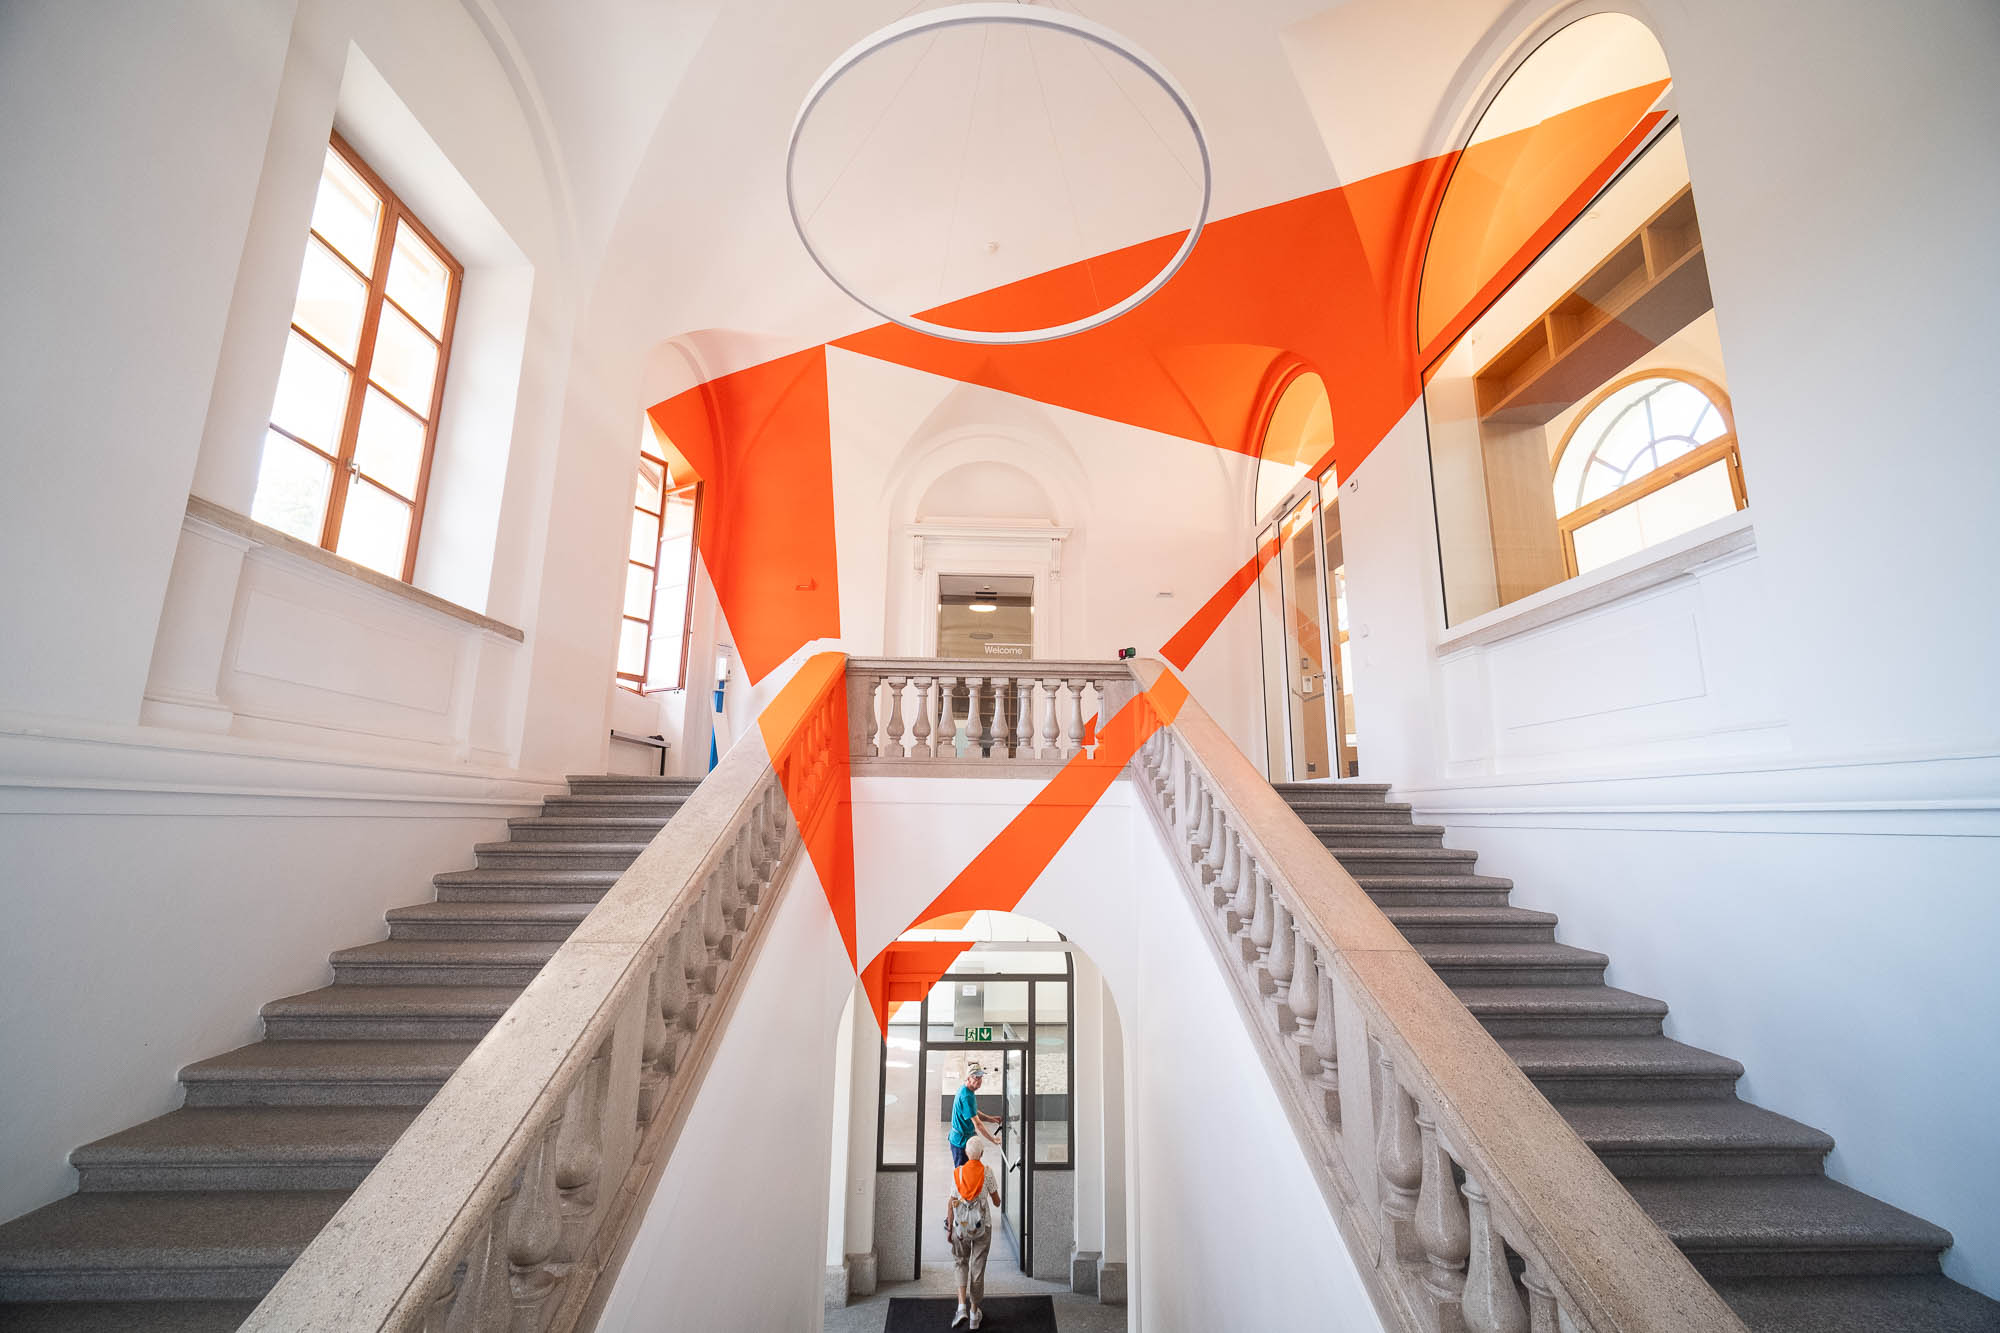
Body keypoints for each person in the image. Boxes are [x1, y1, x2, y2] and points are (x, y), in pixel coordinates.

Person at [946, 1135, 1002, 1329]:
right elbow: (996, 1201)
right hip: (982, 1228)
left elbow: (951, 1202)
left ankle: (961, 1306)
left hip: (960, 1228)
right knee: (977, 1269)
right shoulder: (987, 1172)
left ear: (966, 1153)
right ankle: (973, 1314)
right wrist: (993, 1199)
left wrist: (950, 1227)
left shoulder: (958, 1172)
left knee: (960, 1262)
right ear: (982, 1154)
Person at [947, 1066, 1001, 1167]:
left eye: (981, 1077)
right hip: (960, 1142)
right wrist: (992, 1140)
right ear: (968, 1078)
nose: (979, 1081)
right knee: (963, 1175)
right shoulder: (966, 1096)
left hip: (967, 1138)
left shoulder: (968, 1090)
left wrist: (990, 1119)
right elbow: (978, 1124)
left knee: (971, 1172)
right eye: (976, 1077)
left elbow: (973, 1111)